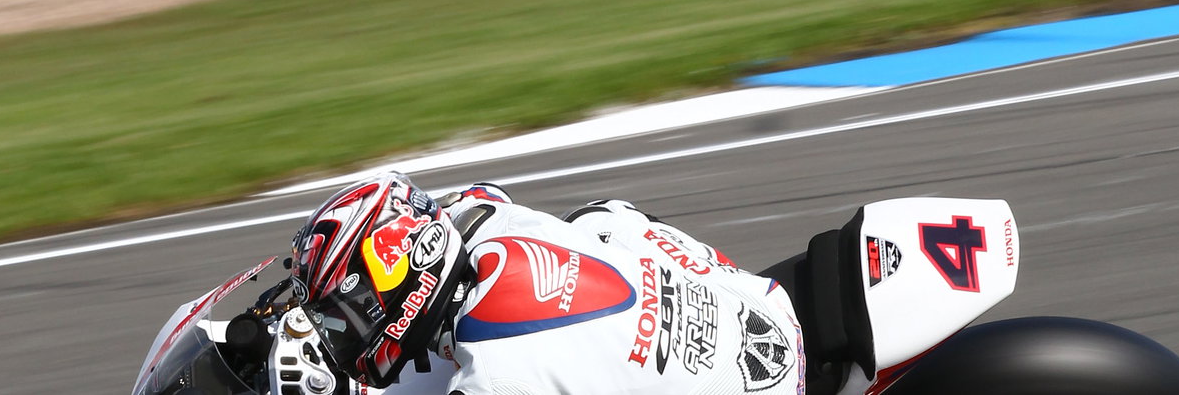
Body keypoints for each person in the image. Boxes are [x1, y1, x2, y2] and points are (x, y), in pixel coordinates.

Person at [287, 171, 805, 395]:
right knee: (600, 219)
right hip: (759, 308)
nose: (342, 332)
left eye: (348, 310)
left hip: (762, 383)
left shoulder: (495, 376)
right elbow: (481, 194)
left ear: (406, 274)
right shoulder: (480, 219)